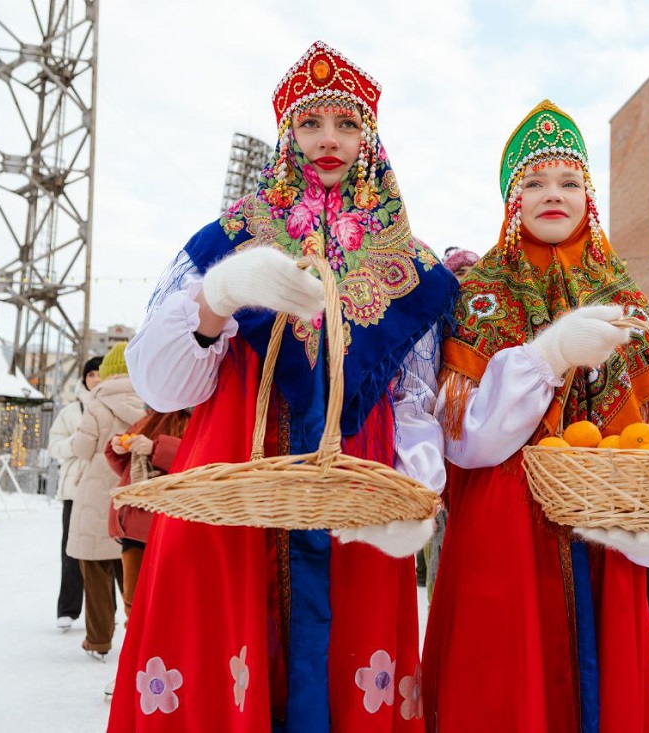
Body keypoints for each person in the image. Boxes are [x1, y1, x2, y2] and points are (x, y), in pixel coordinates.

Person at [108, 40, 456, 731]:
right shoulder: (228, 238)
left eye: (347, 124)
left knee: (350, 667)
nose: (329, 140)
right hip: (234, 477)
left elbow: (414, 402)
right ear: (286, 135)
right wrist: (218, 299)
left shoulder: (410, 263)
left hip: (355, 491)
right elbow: (160, 378)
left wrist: (414, 488)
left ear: (370, 137)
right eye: (311, 123)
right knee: (221, 661)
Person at [421, 100, 649, 732]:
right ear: (511, 199)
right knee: (504, 681)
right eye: (534, 182)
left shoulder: (624, 294)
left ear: (589, 195)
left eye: (569, 181)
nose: (554, 194)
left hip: (602, 522)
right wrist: (545, 357)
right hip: (505, 522)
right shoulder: (483, 289)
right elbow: (466, 440)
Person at [68, 342, 145, 660]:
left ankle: (98, 640)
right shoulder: (148, 403)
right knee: (131, 569)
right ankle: (139, 637)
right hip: (133, 494)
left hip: (96, 498)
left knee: (96, 571)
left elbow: (82, 449)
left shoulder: (96, 407)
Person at [421, 247, 482, 599]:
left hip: (469, 437)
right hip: (434, 435)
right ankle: (437, 601)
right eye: (460, 272)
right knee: (439, 534)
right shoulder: (436, 319)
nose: (467, 279)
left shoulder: (486, 318)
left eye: (473, 270)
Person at [104, 408, 190, 621]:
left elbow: (194, 459)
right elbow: (126, 471)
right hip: (133, 523)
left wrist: (154, 448)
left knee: (164, 605)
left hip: (165, 526)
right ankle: (137, 651)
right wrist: (117, 449)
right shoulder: (146, 419)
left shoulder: (191, 419)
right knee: (133, 603)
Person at [48, 355, 103, 631]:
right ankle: (68, 608)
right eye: (91, 374)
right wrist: (78, 442)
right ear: (84, 379)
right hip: (74, 489)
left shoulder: (115, 408)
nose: (95, 379)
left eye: (100, 374)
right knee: (70, 550)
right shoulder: (70, 413)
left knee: (106, 552)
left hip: (105, 488)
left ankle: (105, 612)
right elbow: (55, 446)